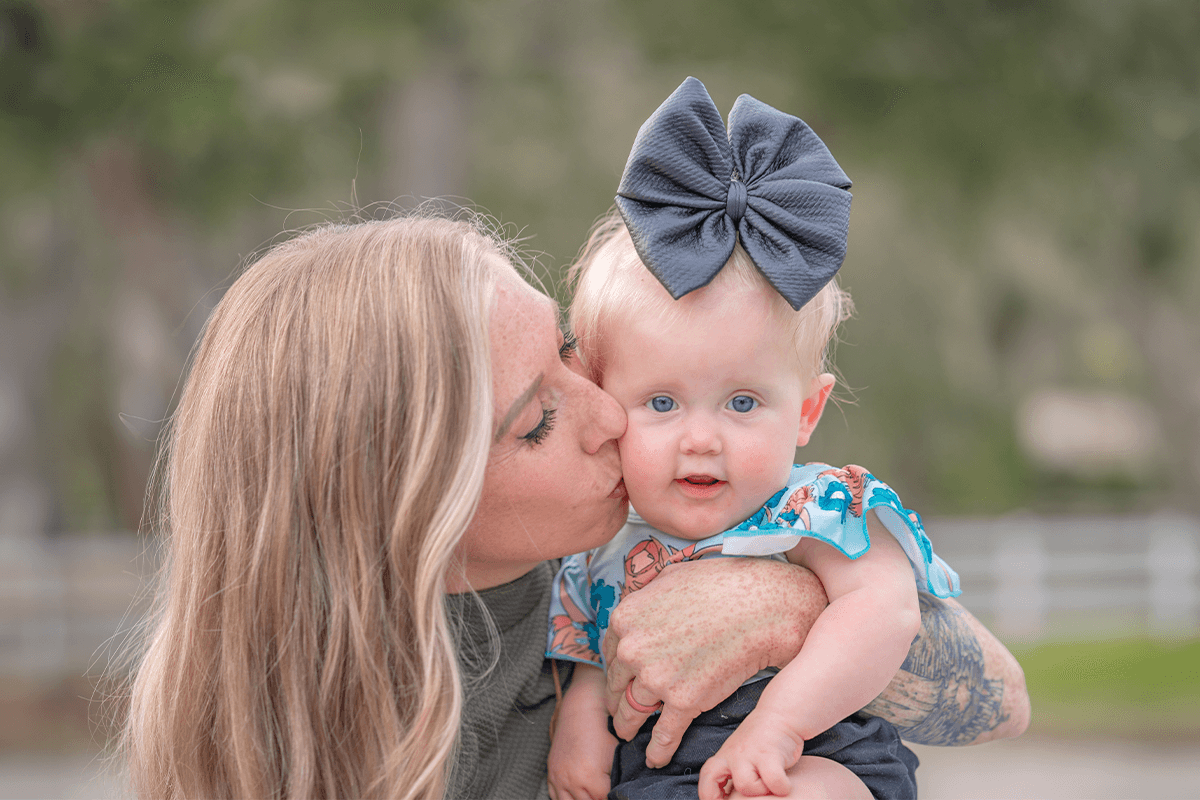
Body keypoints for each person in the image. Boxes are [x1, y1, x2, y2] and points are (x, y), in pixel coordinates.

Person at [120, 210, 1028, 800]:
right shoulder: (284, 747)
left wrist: (777, 605)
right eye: (538, 418)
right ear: (412, 496)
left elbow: (995, 704)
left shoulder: (640, 528)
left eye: (570, 355)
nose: (610, 417)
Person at [545, 78, 992, 800]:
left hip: (806, 753)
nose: (701, 439)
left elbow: (883, 610)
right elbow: (588, 651)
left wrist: (779, 725)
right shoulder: (598, 533)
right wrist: (579, 723)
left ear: (808, 412)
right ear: (603, 400)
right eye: (662, 402)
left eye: (743, 403)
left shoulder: (807, 507)